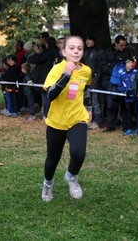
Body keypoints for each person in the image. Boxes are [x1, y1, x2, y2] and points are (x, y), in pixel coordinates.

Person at [41, 36, 92, 202]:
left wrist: (89, 109)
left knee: (78, 153)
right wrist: (66, 75)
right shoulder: (57, 69)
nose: (76, 51)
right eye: (71, 48)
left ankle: (71, 176)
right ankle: (48, 184)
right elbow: (51, 95)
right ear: (63, 52)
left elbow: (86, 91)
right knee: (52, 159)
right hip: (56, 121)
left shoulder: (86, 71)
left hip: (77, 118)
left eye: (79, 48)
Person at [99, 35, 132, 132]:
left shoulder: (127, 53)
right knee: (110, 104)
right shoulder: (106, 53)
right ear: (116, 44)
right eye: (121, 45)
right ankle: (111, 125)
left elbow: (129, 65)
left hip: (123, 81)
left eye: (125, 45)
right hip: (110, 81)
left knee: (124, 103)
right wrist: (114, 71)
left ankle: (125, 124)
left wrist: (113, 65)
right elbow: (103, 66)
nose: (123, 47)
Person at [29, 36, 58, 119]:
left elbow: (36, 60)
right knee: (45, 98)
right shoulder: (52, 52)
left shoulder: (49, 53)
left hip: (45, 78)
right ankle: (46, 113)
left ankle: (47, 114)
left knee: (46, 98)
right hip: (45, 78)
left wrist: (38, 53)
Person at [83, 34, 104, 130]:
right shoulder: (85, 52)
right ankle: (88, 119)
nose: (88, 42)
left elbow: (100, 66)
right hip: (85, 80)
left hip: (94, 79)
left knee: (95, 100)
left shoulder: (98, 52)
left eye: (90, 40)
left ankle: (97, 121)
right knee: (87, 100)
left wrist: (96, 78)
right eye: (87, 40)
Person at [118, 58, 138, 136]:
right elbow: (120, 86)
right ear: (125, 64)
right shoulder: (122, 75)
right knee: (128, 114)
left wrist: (135, 90)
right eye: (128, 62)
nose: (130, 64)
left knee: (136, 113)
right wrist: (125, 91)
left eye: (131, 62)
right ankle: (129, 129)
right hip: (128, 99)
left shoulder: (136, 73)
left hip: (136, 98)